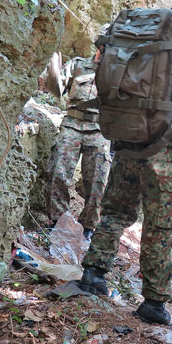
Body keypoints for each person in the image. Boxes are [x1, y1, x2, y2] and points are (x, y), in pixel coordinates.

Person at [78, 4, 172, 325]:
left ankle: (93, 274)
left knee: (115, 211)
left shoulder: (135, 37)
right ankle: (153, 301)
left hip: (125, 139)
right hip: (164, 148)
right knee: (161, 227)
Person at [45, 48, 112, 241]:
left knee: (98, 181)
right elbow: (56, 89)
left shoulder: (117, 72)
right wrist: (54, 70)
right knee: (59, 171)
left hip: (100, 130)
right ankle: (58, 222)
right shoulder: (78, 65)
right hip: (73, 125)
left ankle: (88, 227)